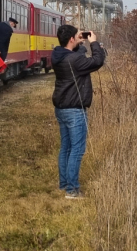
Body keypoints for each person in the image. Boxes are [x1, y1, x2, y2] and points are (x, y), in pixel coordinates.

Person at [52, 24, 106, 199]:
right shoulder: (74, 61)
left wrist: (80, 42)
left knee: (66, 148)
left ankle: (64, 184)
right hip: (75, 109)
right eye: (77, 35)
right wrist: (94, 44)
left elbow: (78, 55)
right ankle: (72, 190)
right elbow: (97, 61)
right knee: (77, 149)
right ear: (71, 39)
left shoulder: (59, 55)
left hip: (62, 108)